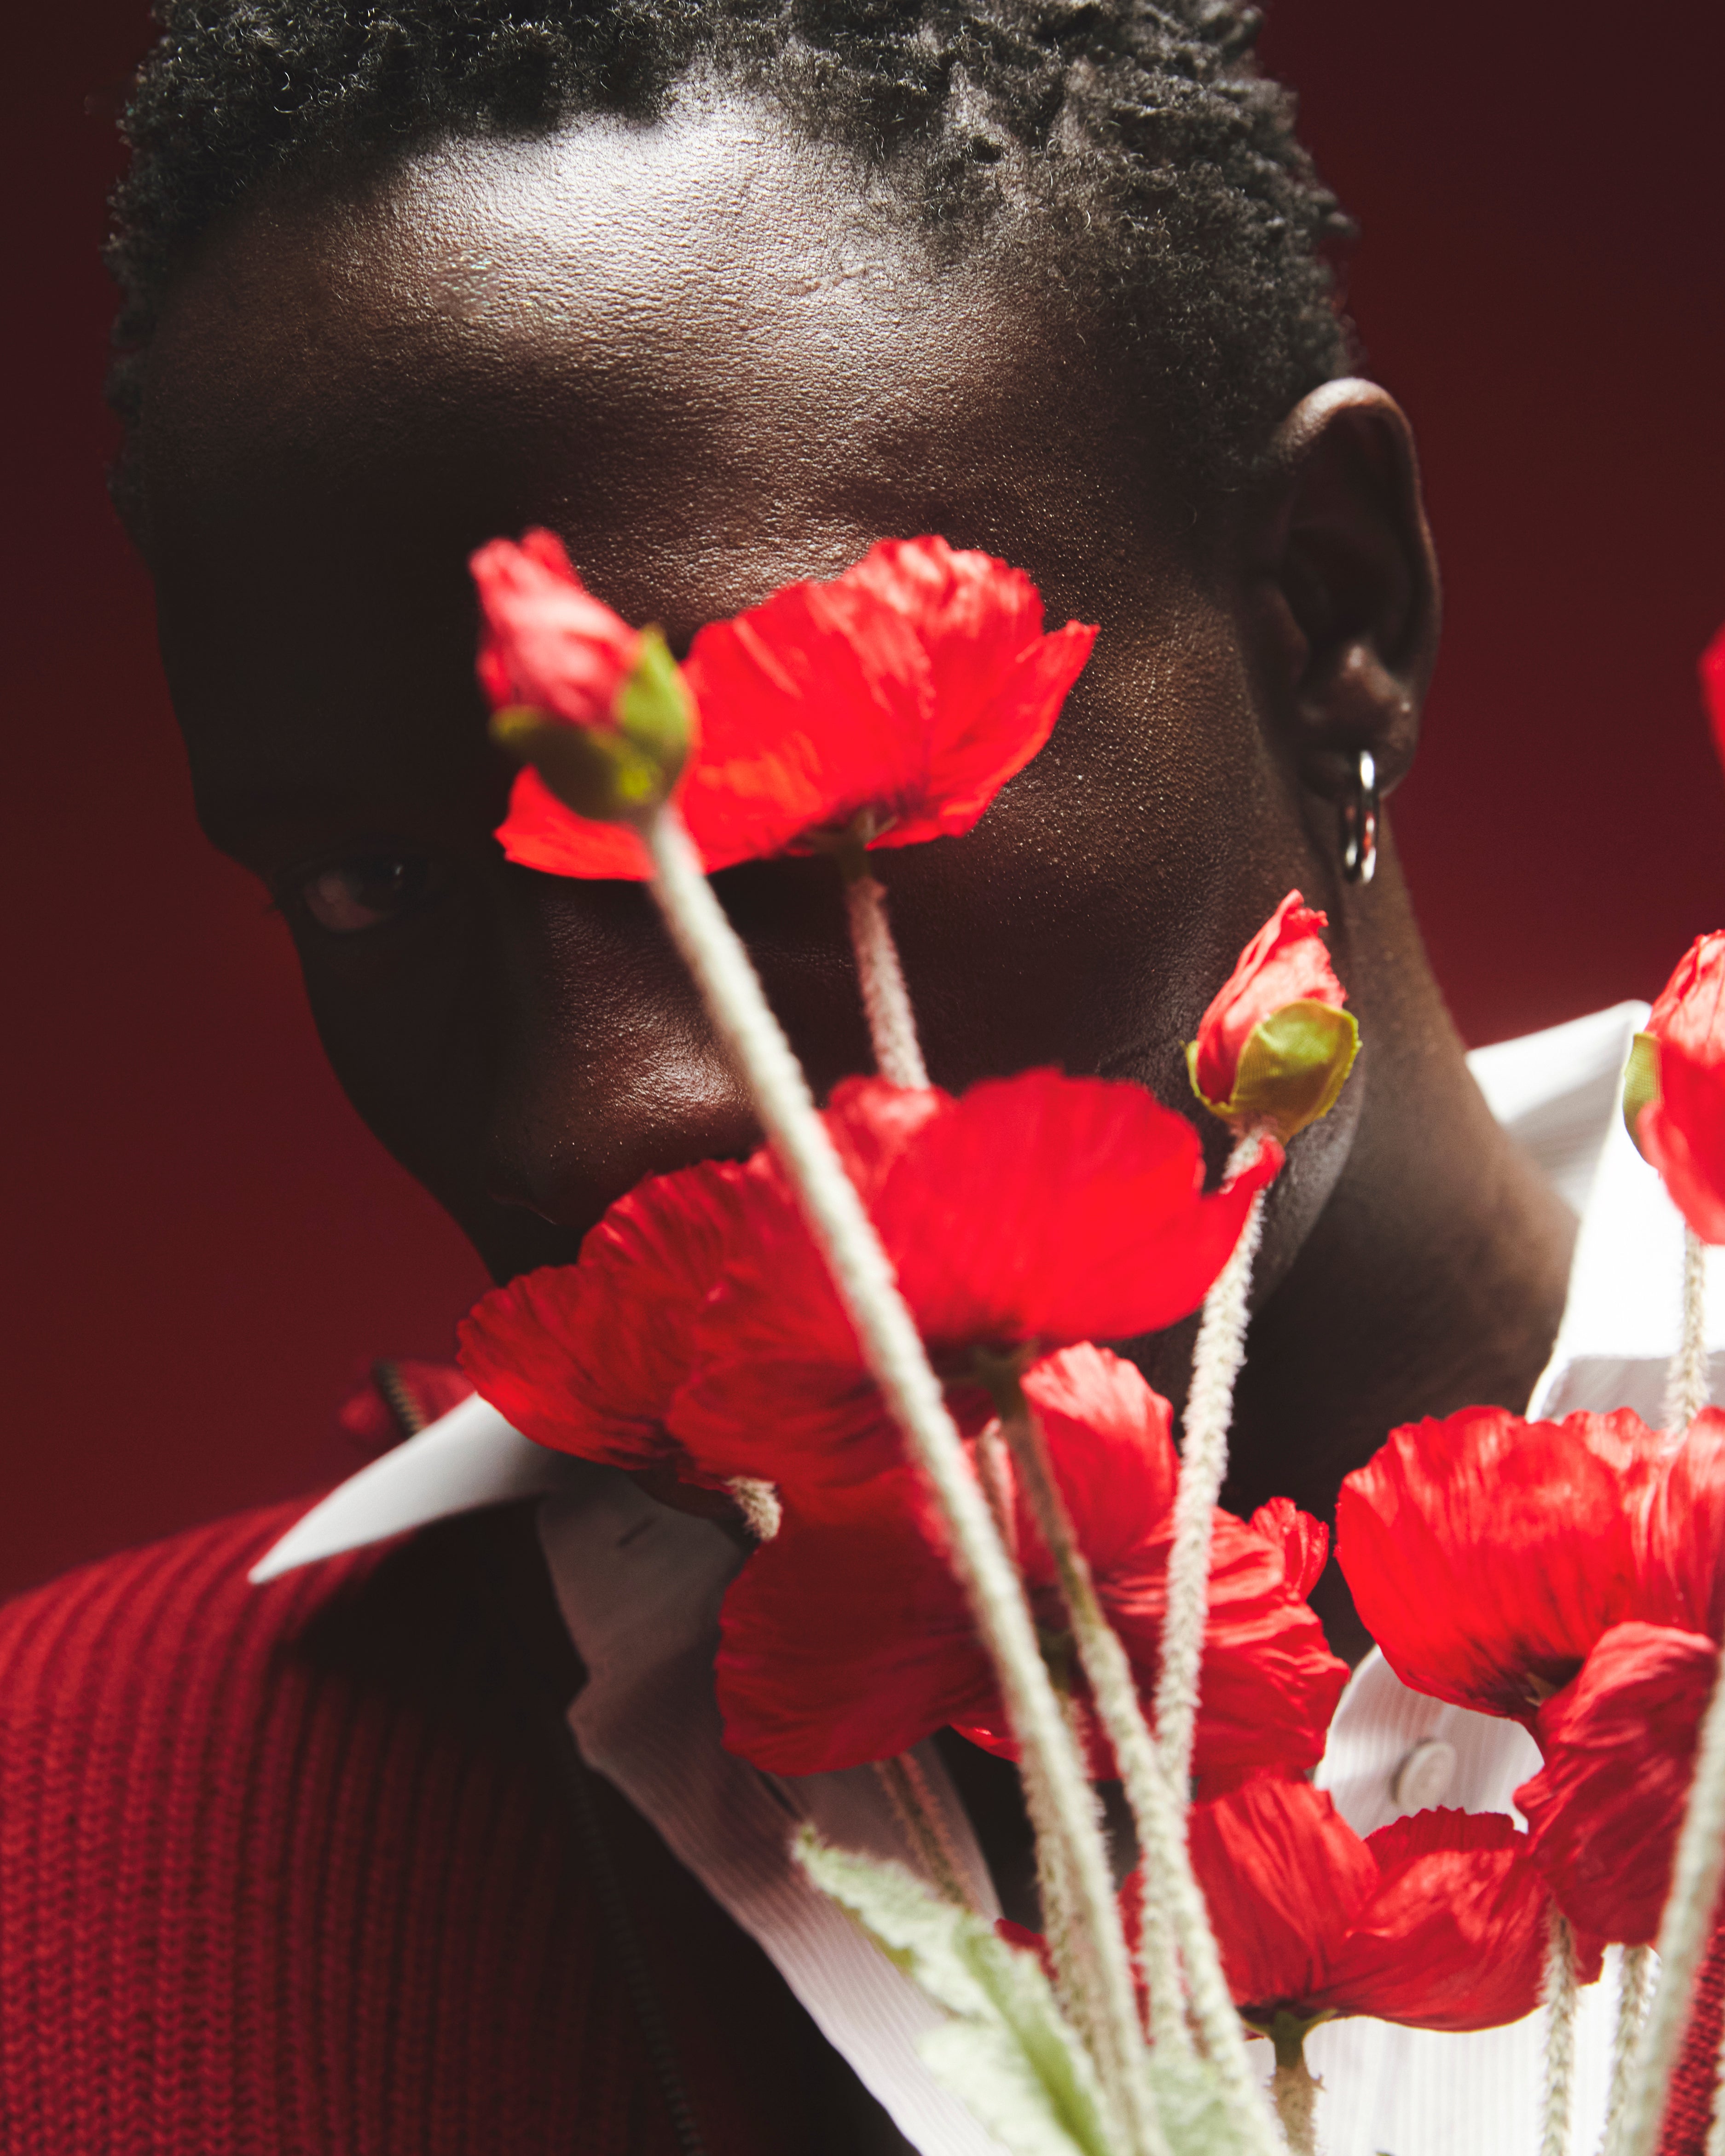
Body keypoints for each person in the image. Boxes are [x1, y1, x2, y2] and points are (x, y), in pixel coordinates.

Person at [1, 2, 1714, 2150]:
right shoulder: (58, 1861)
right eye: (371, 882)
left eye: (772, 818)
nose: (595, 1121)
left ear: (1322, 616)